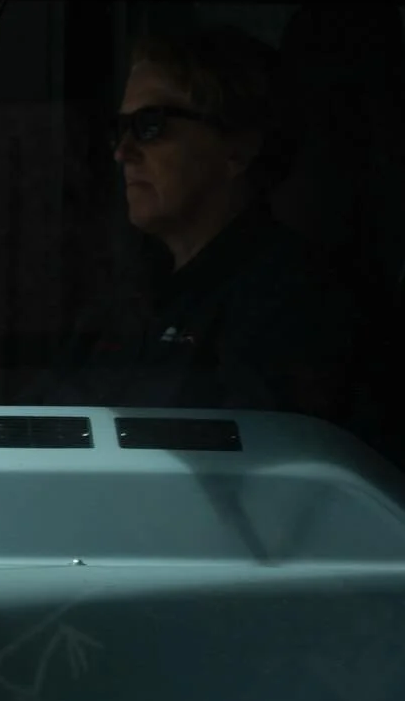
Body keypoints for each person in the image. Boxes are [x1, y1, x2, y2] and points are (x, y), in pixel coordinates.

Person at [40, 21, 356, 422]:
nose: (123, 152)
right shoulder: (128, 296)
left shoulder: (291, 307)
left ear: (239, 147)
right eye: (118, 129)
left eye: (150, 125)